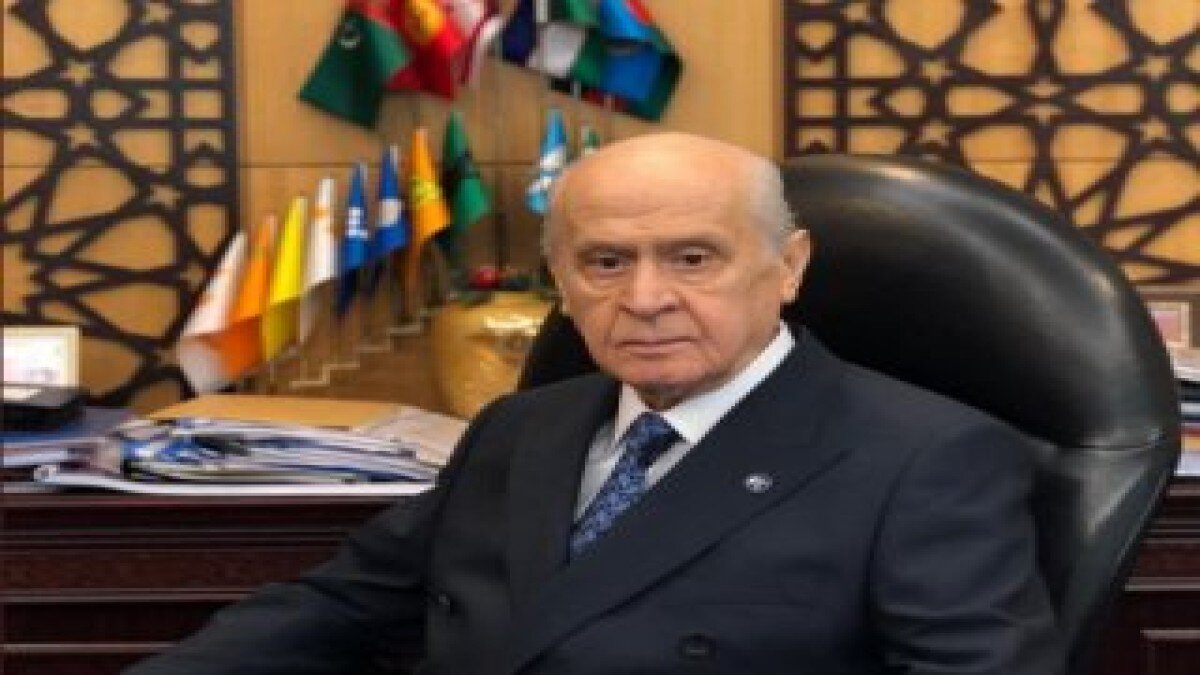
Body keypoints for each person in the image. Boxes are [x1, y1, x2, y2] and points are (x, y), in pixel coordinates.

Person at [128, 133, 1063, 674]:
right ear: (561, 284)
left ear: (788, 267)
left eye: (692, 258)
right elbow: (339, 605)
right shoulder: (520, 426)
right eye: (606, 262)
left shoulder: (928, 457)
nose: (645, 298)